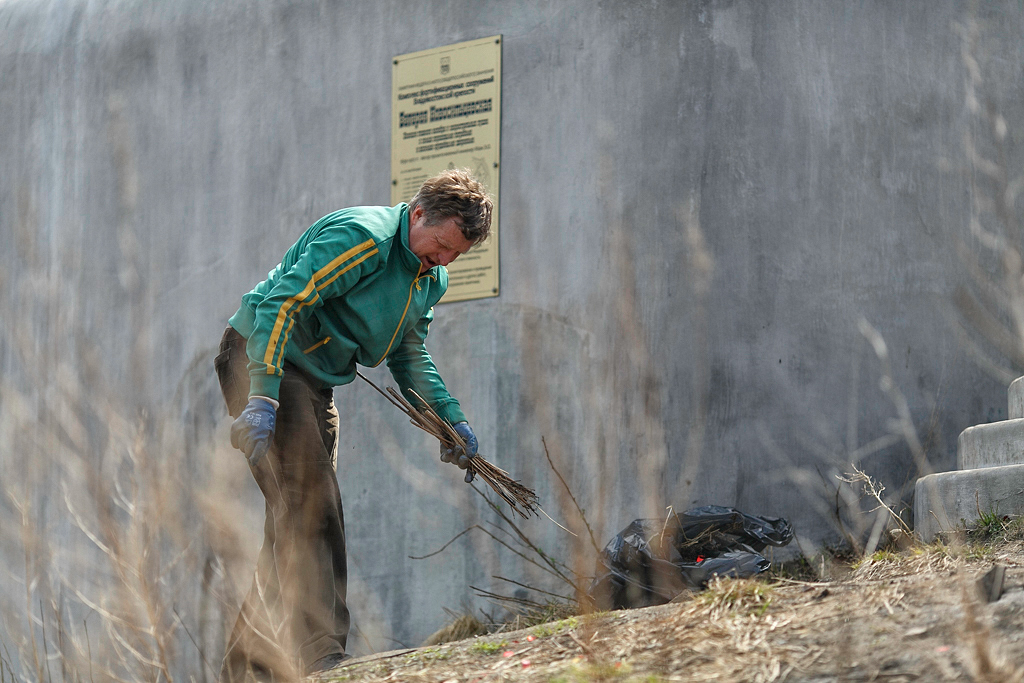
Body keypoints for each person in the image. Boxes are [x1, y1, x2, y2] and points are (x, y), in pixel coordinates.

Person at [214, 169, 492, 681]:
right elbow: (283, 304)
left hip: (314, 383)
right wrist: (262, 397)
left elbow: (409, 354)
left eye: (457, 254)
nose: (445, 259)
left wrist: (450, 420)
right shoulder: (363, 239)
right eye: (441, 245)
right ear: (419, 214)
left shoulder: (431, 278)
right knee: (313, 504)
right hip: (260, 358)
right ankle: (320, 655)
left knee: (293, 517)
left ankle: (245, 660)